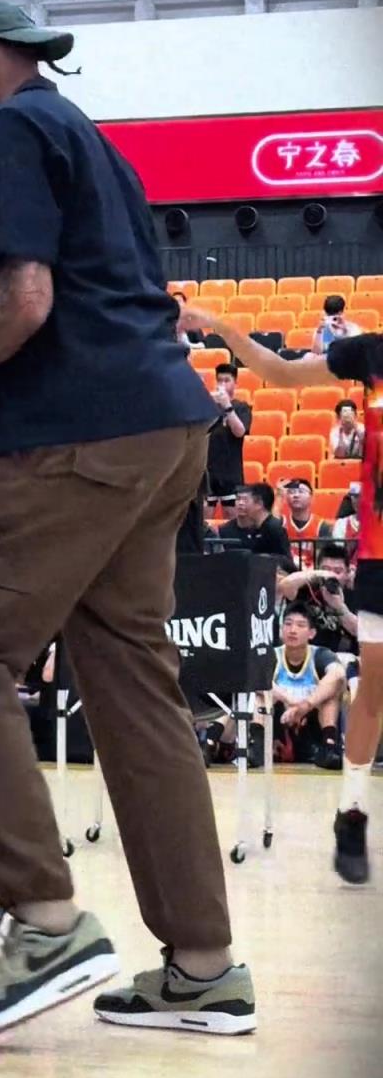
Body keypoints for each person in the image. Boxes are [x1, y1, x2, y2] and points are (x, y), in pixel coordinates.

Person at [0, 0, 254, 1037]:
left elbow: (25, 298)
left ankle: (44, 922)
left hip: (81, 435)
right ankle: (205, 967)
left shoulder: (4, 131)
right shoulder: (91, 140)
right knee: (135, 690)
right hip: (166, 430)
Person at [179, 306, 383, 883]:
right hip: (381, 550)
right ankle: (352, 810)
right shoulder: (371, 354)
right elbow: (282, 372)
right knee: (375, 687)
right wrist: (220, 326)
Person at [270, 605, 346, 768]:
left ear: (311, 633)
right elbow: (257, 680)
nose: (292, 630)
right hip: (280, 722)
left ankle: (329, 746)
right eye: (288, 624)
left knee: (331, 692)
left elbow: (338, 674)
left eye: (300, 625)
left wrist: (305, 706)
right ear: (281, 629)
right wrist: (290, 700)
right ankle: (256, 747)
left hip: (311, 724)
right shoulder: (272, 655)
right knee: (260, 694)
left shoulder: (321, 654)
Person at [279, 541, 359, 656]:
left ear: (347, 574)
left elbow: (359, 631)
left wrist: (339, 607)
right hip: (309, 655)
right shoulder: (307, 590)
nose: (332, 575)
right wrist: (319, 574)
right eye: (325, 569)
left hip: (345, 656)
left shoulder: (354, 594)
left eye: (338, 571)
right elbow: (285, 585)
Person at [206, 362, 252, 513]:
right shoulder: (208, 406)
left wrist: (227, 406)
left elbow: (239, 432)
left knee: (233, 520)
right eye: (219, 380)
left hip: (231, 472)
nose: (223, 384)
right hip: (208, 471)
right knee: (203, 521)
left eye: (227, 380)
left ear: (235, 383)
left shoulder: (242, 407)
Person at [217, 482, 294, 561]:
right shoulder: (255, 528)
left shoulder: (273, 528)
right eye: (238, 499)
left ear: (259, 504)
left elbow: (286, 560)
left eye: (246, 500)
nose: (241, 503)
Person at [276, 477, 327, 569]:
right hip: (285, 571)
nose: (296, 495)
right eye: (292, 492)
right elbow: (269, 525)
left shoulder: (322, 526)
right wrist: (279, 496)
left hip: (311, 572)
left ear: (311, 497)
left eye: (301, 491)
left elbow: (320, 561)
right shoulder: (282, 522)